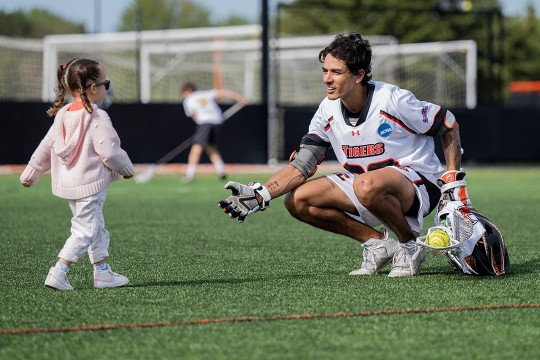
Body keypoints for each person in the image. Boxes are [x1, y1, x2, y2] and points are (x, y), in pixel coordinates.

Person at [219, 32, 467, 277]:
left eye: (336, 72)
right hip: (366, 186)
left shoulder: (392, 99)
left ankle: (409, 244)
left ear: (359, 75)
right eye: (325, 71)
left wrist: (452, 180)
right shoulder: (326, 109)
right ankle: (377, 243)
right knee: (298, 200)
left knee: (366, 184)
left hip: (419, 184)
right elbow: (302, 165)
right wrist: (262, 194)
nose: (327, 79)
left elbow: (448, 123)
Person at [20, 58, 135, 290]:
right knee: (86, 229)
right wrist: (126, 169)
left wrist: (32, 171)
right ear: (93, 88)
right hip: (90, 184)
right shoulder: (97, 116)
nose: (106, 88)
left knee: (95, 225)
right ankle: (58, 271)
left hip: (70, 184)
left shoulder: (63, 114)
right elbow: (110, 152)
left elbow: (47, 144)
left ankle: (102, 272)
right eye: (106, 84)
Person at [181, 82, 247, 183]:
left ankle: (189, 175)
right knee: (210, 147)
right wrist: (239, 98)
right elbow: (223, 92)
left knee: (196, 148)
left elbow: (194, 116)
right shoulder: (205, 93)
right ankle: (221, 170)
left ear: (186, 91)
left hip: (204, 123)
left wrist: (201, 127)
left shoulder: (188, 100)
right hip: (217, 121)